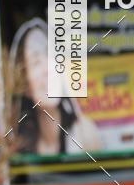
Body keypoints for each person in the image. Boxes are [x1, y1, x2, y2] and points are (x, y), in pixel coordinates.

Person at [9, 18, 102, 157]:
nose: (48, 69)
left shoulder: (85, 135)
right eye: (36, 62)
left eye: (51, 56)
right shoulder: (17, 147)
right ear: (25, 87)